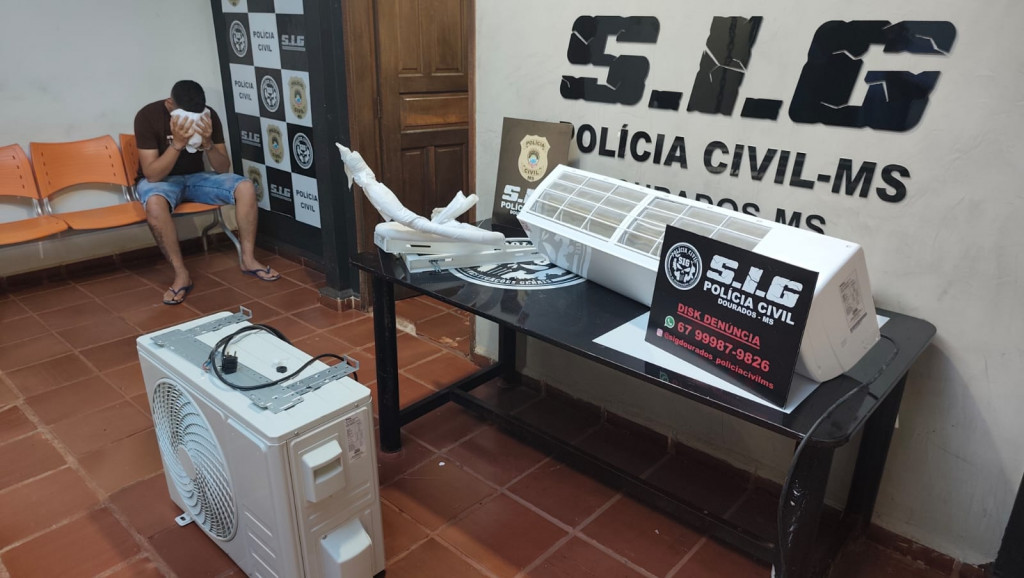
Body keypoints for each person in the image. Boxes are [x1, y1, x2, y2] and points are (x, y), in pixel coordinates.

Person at [134, 80, 279, 305]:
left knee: (245, 187)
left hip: (196, 178)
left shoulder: (207, 115)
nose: (193, 118)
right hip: (161, 182)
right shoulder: (148, 116)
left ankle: (248, 259)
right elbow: (152, 175)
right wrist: (177, 144)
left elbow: (222, 168)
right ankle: (181, 274)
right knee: (154, 204)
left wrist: (208, 143)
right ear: (170, 104)